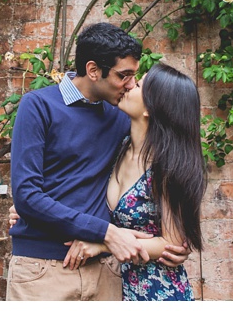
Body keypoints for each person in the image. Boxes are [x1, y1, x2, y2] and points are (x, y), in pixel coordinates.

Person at [7, 23, 188, 301]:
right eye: (123, 75)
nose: (130, 84)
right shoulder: (38, 106)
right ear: (93, 70)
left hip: (106, 271)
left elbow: (168, 151)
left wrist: (169, 240)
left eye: (133, 76)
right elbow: (28, 195)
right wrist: (107, 233)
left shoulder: (121, 114)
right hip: (42, 269)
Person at [62, 62, 206, 301]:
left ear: (151, 108)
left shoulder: (165, 166)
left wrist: (104, 244)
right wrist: (29, 209)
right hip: (115, 284)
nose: (129, 85)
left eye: (138, 85)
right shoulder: (119, 146)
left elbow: (171, 243)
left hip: (157, 290)